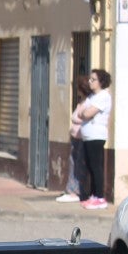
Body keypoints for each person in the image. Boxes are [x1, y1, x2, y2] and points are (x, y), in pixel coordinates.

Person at [75, 69, 112, 209]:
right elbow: (80, 112)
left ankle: (100, 197)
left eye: (93, 79)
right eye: (90, 79)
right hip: (87, 136)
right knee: (90, 166)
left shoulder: (103, 96)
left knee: (96, 166)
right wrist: (84, 112)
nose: (90, 82)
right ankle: (93, 195)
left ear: (101, 81)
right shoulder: (91, 97)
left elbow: (87, 113)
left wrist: (85, 113)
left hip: (96, 136)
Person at [56, 73, 92, 203]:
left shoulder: (88, 103)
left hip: (81, 139)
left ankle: (74, 191)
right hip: (76, 138)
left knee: (77, 165)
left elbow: (85, 118)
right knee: (73, 164)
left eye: (77, 88)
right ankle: (72, 190)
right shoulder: (82, 102)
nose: (76, 91)